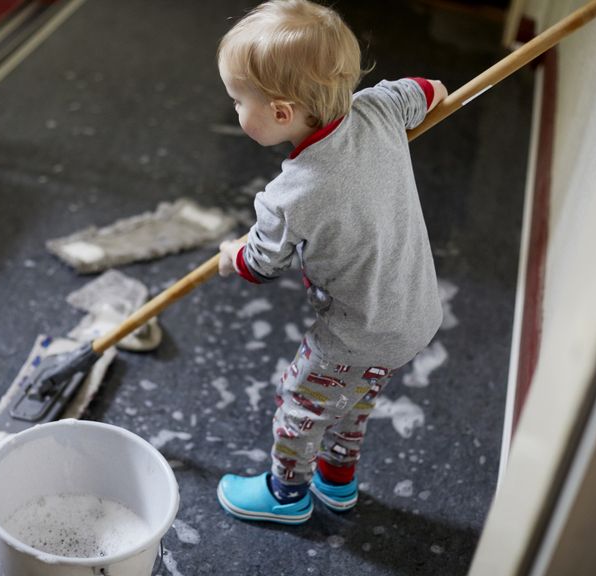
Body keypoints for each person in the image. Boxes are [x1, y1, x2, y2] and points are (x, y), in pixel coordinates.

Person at [214, 0, 448, 525]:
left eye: (237, 101)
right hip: (413, 312)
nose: (233, 110)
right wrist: (426, 101)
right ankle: (337, 482)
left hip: (358, 328)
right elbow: (430, 90)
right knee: (354, 397)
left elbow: (259, 262)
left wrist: (231, 256)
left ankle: (285, 493)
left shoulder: (292, 194)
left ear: (280, 113)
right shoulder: (379, 108)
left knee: (301, 401)